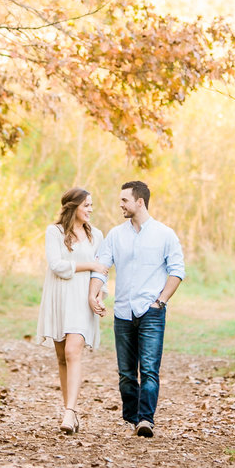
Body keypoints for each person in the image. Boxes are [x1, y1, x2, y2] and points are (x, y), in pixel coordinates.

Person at [92, 180, 185, 438]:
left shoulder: (165, 234)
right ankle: (131, 418)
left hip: (151, 311)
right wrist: (94, 292)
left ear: (139, 202)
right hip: (123, 312)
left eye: (124, 200)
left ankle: (146, 419)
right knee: (126, 374)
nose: (120, 204)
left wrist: (161, 301)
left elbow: (177, 271)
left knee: (149, 370)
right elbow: (101, 267)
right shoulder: (115, 235)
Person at [35, 187, 109, 434]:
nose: (90, 209)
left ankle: (69, 413)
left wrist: (97, 294)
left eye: (91, 205)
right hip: (59, 297)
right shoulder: (54, 232)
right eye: (86, 205)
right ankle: (71, 411)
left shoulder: (96, 235)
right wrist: (89, 264)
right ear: (73, 206)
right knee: (61, 357)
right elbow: (56, 265)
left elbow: (102, 270)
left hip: (81, 299)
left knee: (72, 351)